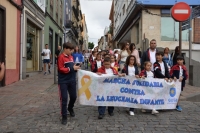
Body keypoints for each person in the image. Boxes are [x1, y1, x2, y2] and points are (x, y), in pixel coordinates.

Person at [57, 42, 80, 125]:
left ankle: (70, 108)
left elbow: (72, 66)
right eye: (70, 50)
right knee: (64, 99)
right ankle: (64, 116)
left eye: (72, 50)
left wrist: (76, 67)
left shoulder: (71, 57)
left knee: (74, 97)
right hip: (63, 81)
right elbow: (61, 69)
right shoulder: (61, 57)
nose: (71, 51)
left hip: (72, 80)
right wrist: (72, 68)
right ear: (65, 49)